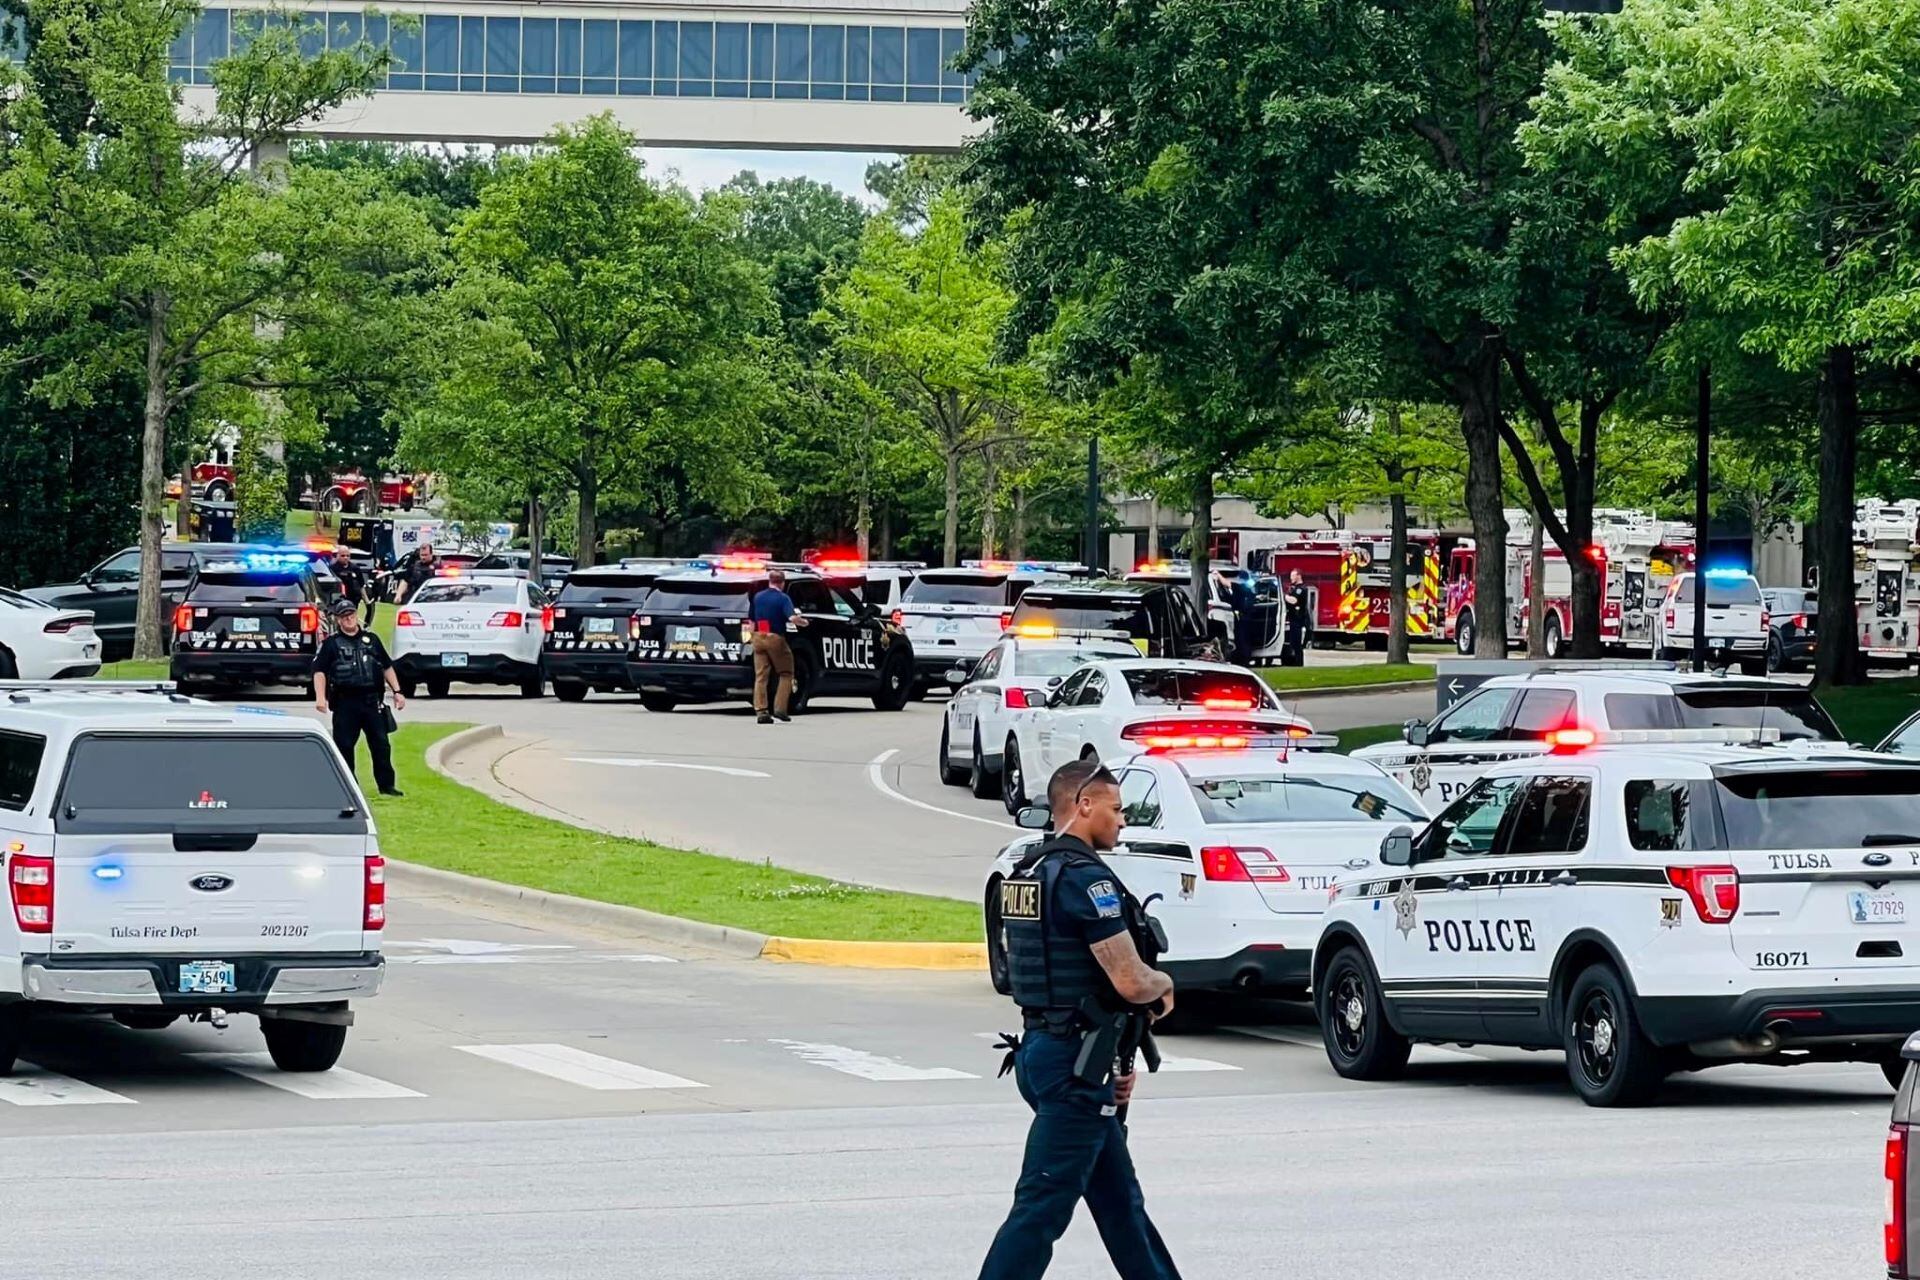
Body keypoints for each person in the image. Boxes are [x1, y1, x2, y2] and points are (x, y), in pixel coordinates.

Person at [978, 759, 1181, 1280]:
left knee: (1121, 1207)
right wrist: (1165, 985)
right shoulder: (1085, 878)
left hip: (1050, 1053)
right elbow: (1130, 980)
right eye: (1116, 809)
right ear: (1083, 805)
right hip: (1074, 1069)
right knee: (1040, 1209)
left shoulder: (1028, 871)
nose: (1122, 820)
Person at [312, 597, 407, 797]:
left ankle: (387, 786)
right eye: (344, 616)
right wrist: (321, 698)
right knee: (345, 746)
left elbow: (386, 666)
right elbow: (319, 671)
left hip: (372, 702)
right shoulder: (331, 644)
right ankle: (349, 787)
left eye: (351, 614)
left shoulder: (371, 641)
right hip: (345, 703)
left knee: (381, 745)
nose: (349, 619)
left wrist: (397, 692)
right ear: (338, 620)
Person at [749, 568, 807, 725]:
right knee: (786, 672)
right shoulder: (783, 598)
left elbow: (751, 621)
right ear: (782, 583)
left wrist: (751, 638)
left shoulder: (758, 597)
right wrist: (804, 622)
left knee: (761, 675)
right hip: (775, 637)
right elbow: (792, 617)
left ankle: (761, 711)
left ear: (769, 581)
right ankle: (780, 709)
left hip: (758, 636)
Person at [1283, 569, 1310, 666]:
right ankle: (1293, 662)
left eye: (1293, 576)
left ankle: (1298, 664)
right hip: (1293, 620)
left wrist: (1284, 596)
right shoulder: (1294, 588)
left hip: (1298, 621)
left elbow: (1294, 600)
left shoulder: (1301, 589)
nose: (1291, 578)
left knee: (1297, 644)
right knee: (1293, 643)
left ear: (1298, 576)